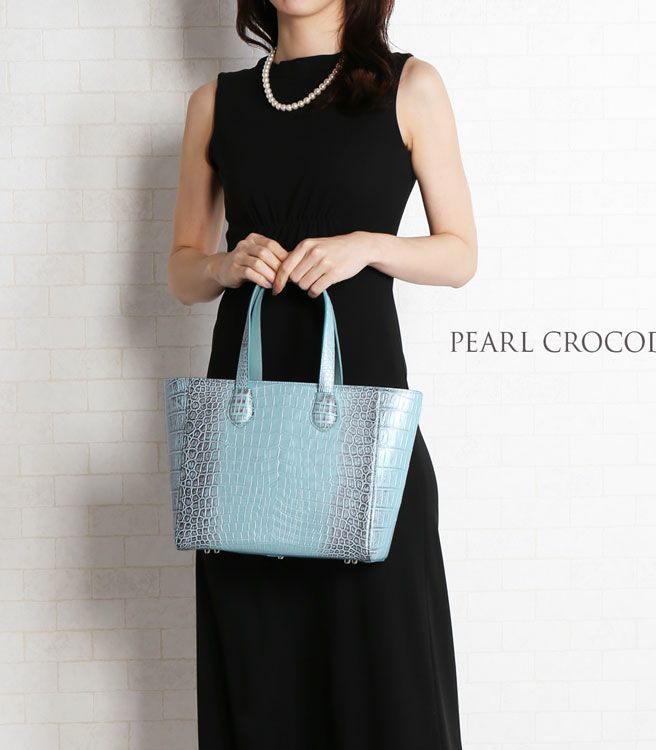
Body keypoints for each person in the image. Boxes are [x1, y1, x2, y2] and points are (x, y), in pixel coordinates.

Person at [166, 0, 477, 747]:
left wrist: (367, 246)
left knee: (386, 681)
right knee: (263, 686)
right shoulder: (216, 104)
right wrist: (224, 264)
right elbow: (182, 272)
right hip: (247, 445)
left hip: (365, 438)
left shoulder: (411, 86)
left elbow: (459, 253)